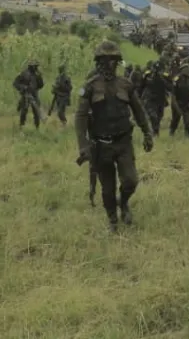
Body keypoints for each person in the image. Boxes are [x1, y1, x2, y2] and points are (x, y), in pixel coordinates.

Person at [74, 41, 154, 232]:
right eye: (105, 60)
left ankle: (123, 202)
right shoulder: (90, 87)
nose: (109, 64)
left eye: (113, 60)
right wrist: (83, 146)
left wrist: (147, 132)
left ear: (118, 62)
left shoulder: (126, 85)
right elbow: (80, 117)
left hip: (123, 143)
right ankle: (112, 220)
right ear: (98, 62)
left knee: (130, 181)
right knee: (107, 189)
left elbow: (139, 110)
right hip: (101, 146)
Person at [169, 64, 189, 137]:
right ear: (182, 70)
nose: (188, 71)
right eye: (186, 69)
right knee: (175, 120)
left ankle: (188, 136)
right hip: (178, 102)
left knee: (188, 121)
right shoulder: (177, 79)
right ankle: (171, 132)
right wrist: (176, 107)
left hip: (188, 103)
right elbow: (173, 95)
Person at [13, 60, 44, 128]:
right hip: (26, 94)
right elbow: (15, 83)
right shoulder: (24, 73)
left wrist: (40, 77)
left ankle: (37, 127)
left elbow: (41, 85)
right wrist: (24, 87)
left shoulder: (37, 74)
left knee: (36, 111)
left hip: (34, 94)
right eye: (34, 66)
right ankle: (21, 125)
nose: (36, 68)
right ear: (30, 67)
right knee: (24, 111)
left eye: (36, 66)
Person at [141, 62, 170, 136]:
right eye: (154, 69)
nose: (156, 71)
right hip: (150, 99)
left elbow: (170, 86)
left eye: (158, 69)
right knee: (153, 116)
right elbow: (141, 85)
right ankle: (154, 131)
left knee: (159, 116)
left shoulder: (165, 76)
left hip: (160, 99)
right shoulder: (147, 75)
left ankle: (155, 130)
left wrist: (162, 79)